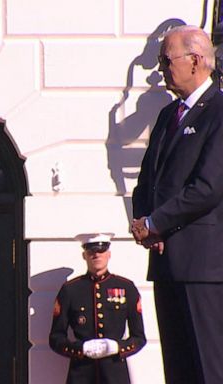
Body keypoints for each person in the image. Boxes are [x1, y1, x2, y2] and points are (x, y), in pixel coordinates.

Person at [131, 25, 223, 383]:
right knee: (178, 369)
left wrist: (157, 222)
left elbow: (208, 187)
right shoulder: (169, 116)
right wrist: (144, 224)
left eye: (165, 60)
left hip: (203, 266)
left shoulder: (217, 111)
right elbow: (146, 182)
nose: (160, 69)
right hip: (166, 261)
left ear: (196, 60)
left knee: (208, 367)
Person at [49, 233, 146, 384]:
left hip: (115, 374)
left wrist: (117, 347)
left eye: (101, 251)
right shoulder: (70, 290)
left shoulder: (126, 287)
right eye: (91, 251)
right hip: (81, 374)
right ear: (84, 255)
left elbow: (139, 338)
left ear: (109, 254)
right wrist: (81, 349)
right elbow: (56, 338)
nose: (96, 255)